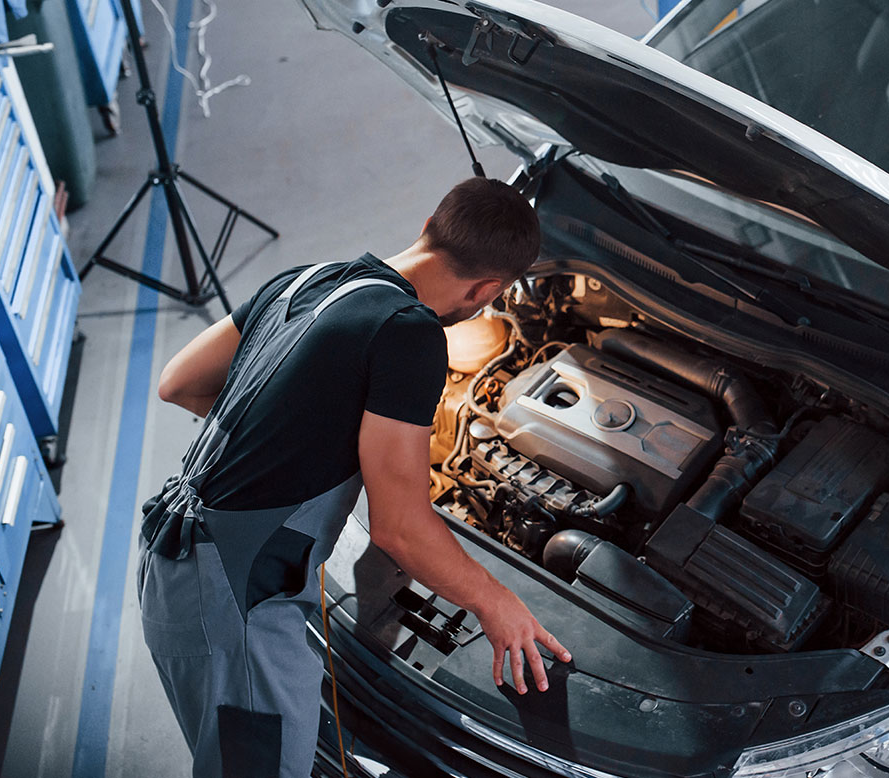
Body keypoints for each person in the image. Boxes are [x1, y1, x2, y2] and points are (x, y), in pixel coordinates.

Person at [137, 177, 570, 778]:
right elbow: (401, 529)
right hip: (236, 601)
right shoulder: (409, 334)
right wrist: (498, 603)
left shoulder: (306, 277)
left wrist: (294, 430)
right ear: (488, 290)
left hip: (175, 559)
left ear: (429, 224)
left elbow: (178, 382)